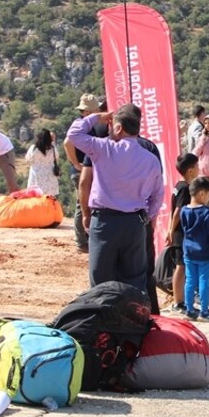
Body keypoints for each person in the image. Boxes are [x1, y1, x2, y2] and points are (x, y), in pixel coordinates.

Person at [67, 105, 164, 292]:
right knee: (135, 281)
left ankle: (103, 319)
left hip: (104, 222)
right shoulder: (150, 158)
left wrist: (96, 117)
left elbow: (74, 134)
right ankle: (133, 318)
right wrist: (149, 217)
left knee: (101, 281)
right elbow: (158, 194)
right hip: (135, 222)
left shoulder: (103, 148)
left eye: (112, 125)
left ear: (118, 128)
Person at [179, 177, 209, 322]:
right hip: (205, 252)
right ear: (202, 194)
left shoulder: (183, 211)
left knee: (190, 280)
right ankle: (204, 311)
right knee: (204, 281)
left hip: (188, 251)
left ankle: (189, 310)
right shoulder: (207, 213)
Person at [64, 94, 103, 251]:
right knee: (83, 203)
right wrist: (76, 164)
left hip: (83, 169)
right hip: (81, 170)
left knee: (84, 203)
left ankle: (84, 240)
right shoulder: (81, 125)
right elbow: (67, 143)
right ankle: (81, 242)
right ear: (89, 111)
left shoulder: (83, 125)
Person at [166, 153, 199, 313]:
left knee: (182, 267)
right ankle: (178, 302)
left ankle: (184, 300)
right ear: (191, 170)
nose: (199, 169)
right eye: (197, 166)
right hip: (181, 234)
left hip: (180, 233)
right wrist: (171, 231)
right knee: (181, 267)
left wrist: (168, 229)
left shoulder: (178, 186)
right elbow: (178, 212)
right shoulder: (185, 188)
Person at [24, 128, 61, 198]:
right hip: (50, 175)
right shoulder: (52, 148)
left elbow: (27, 160)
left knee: (35, 197)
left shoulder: (34, 148)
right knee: (50, 197)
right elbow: (56, 157)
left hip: (36, 175)